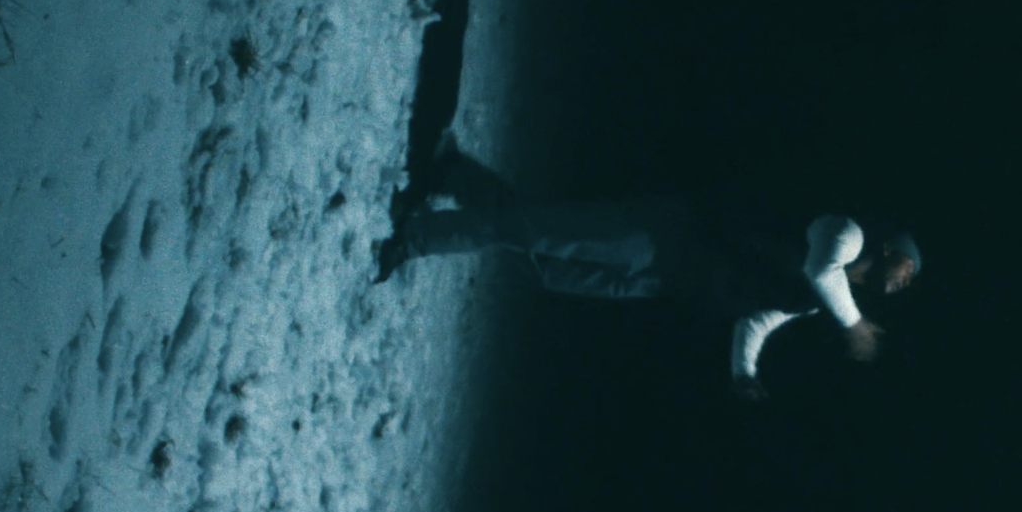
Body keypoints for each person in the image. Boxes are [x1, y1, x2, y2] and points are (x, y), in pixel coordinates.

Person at [375, 142, 920, 401]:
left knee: (546, 268)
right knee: (542, 232)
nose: (906, 280)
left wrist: (744, 372)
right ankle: (416, 237)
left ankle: (457, 175)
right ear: (890, 248)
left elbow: (757, 318)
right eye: (909, 266)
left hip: (667, 280)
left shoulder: (817, 302)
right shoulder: (847, 234)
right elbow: (821, 267)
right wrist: (853, 325)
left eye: (909, 281)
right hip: (672, 233)